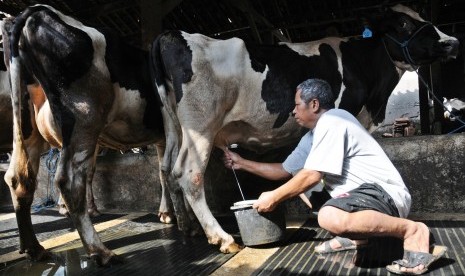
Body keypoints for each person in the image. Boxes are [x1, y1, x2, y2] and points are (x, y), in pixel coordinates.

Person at [223, 78, 446, 275]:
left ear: (314, 104)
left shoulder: (334, 120)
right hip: (360, 198)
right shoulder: (311, 137)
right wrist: (240, 162)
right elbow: (284, 171)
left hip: (383, 194)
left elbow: (312, 176)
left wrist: (273, 198)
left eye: (296, 105)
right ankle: (356, 236)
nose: (293, 111)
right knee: (298, 179)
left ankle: (413, 231)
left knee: (328, 216)